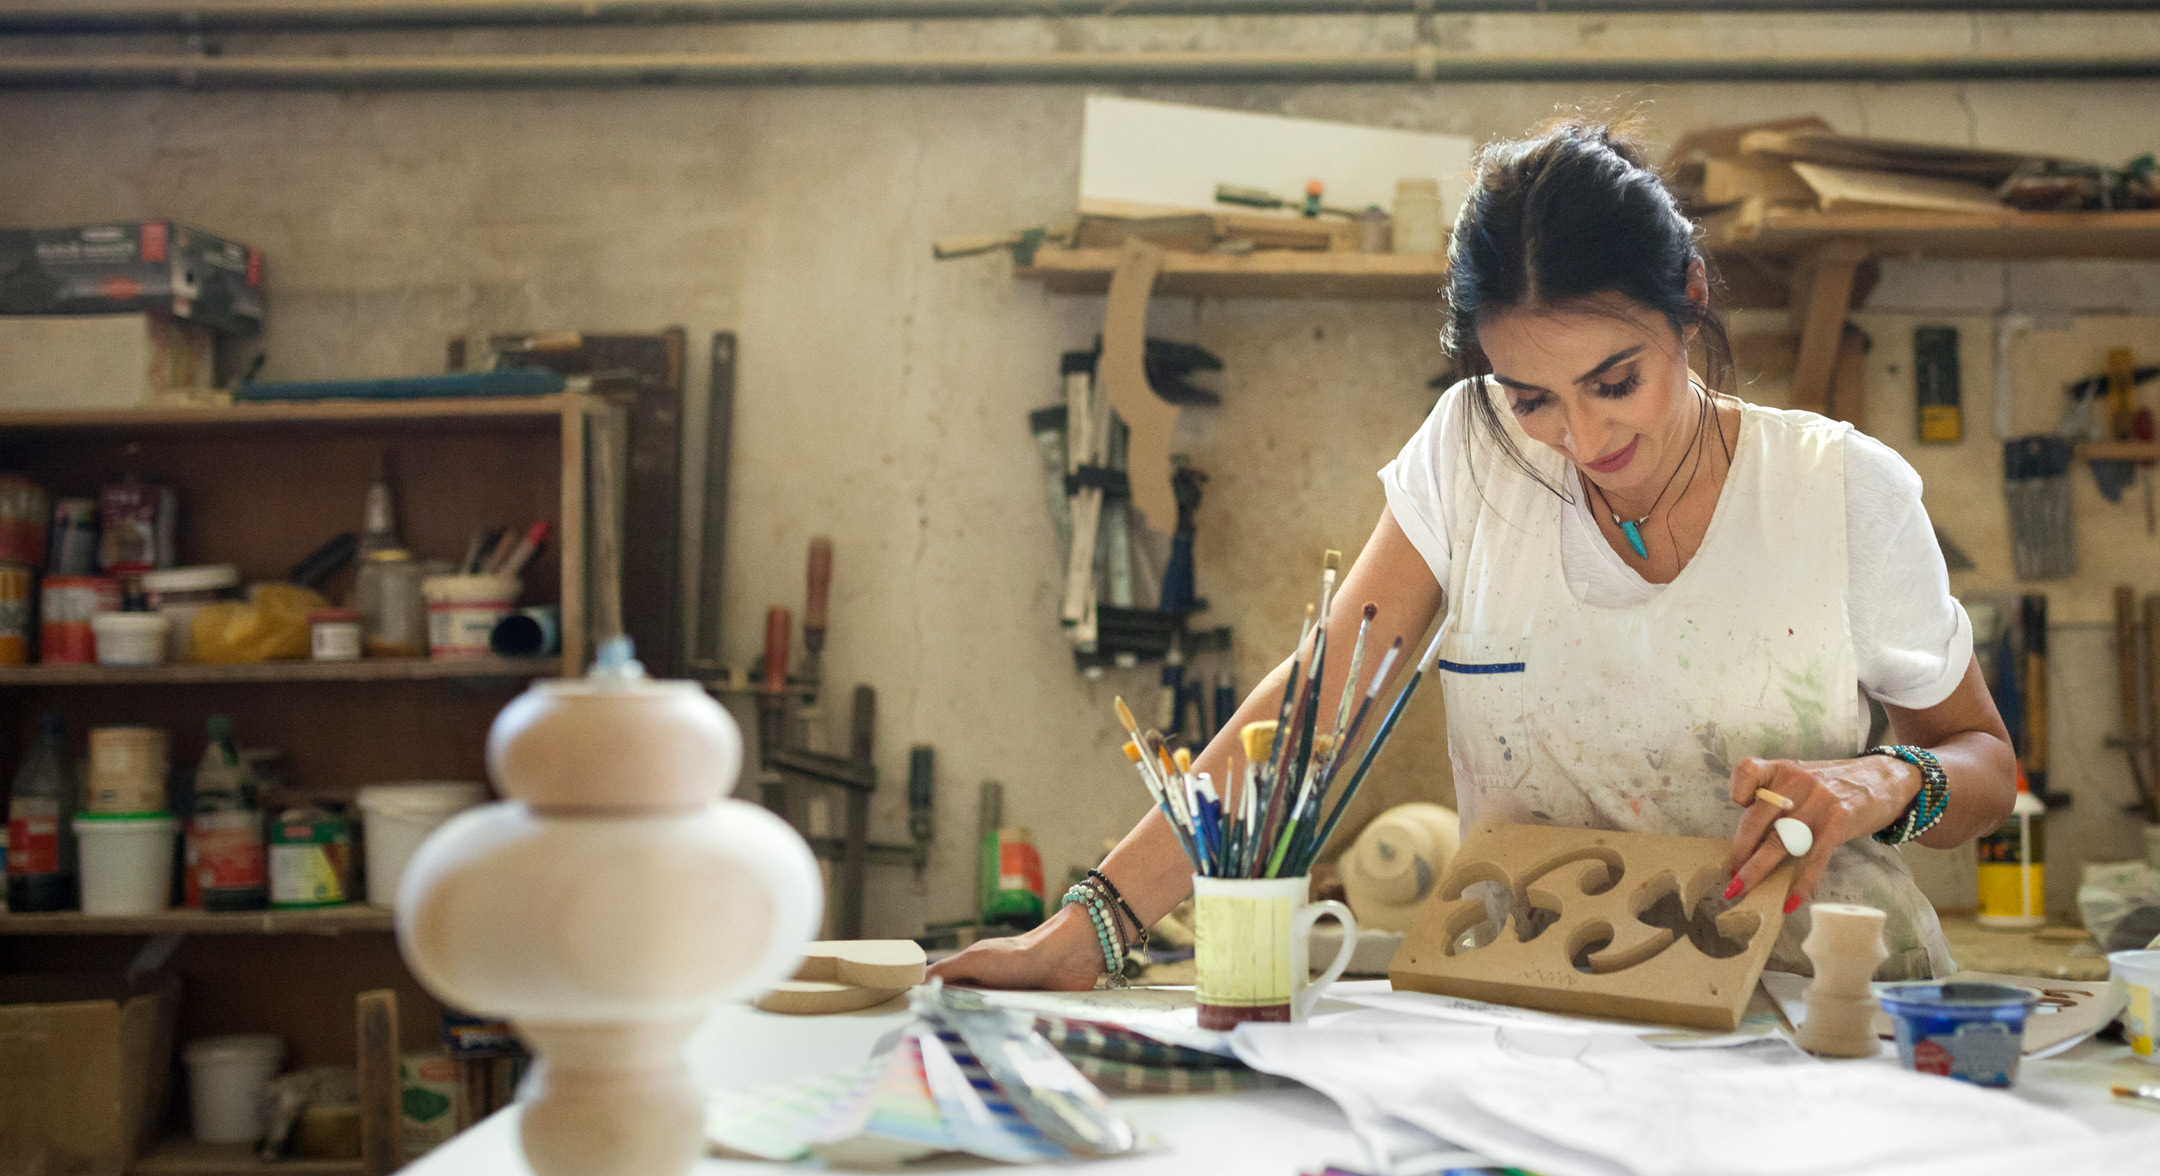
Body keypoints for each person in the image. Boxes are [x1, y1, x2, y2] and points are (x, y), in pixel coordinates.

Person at [930, 117, 2016, 991]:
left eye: (1615, 381)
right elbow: (1315, 710)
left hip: (1807, 996)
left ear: (1686, 300)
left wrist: (1880, 780)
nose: (1585, 442)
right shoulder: (1471, 453)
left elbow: (1984, 765)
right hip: (1532, 986)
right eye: (1533, 396)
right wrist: (1094, 927)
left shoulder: (1841, 490)